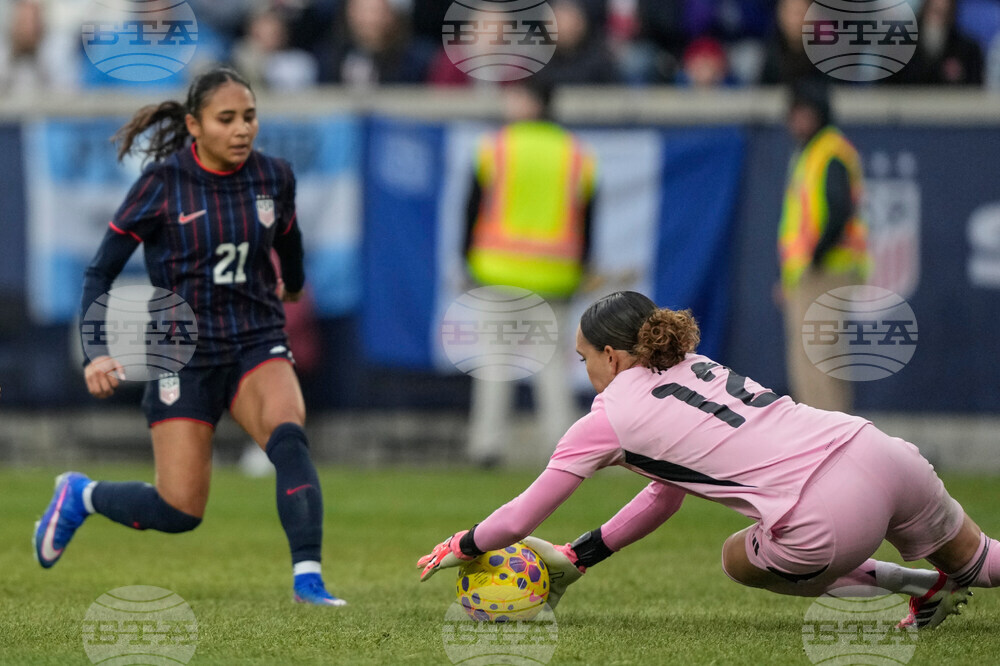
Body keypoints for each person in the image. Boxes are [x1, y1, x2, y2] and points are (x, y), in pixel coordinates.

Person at [419, 291, 1000, 630]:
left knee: (735, 558)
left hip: (827, 513)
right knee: (984, 560)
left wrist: (465, 543)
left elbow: (520, 521)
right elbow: (666, 490)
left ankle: (917, 584)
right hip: (879, 452)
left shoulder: (608, 417)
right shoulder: (695, 362)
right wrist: (583, 554)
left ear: (615, 357)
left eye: (584, 357)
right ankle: (943, 582)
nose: (585, 370)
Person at [32, 67, 345, 607]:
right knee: (179, 512)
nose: (242, 129)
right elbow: (98, 273)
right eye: (227, 119)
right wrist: (97, 353)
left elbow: (288, 240)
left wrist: (293, 285)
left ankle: (309, 581)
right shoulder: (161, 184)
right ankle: (79, 495)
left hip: (256, 338)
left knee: (288, 436)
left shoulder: (274, 177)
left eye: (249, 117)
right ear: (194, 125)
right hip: (184, 351)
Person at [462, 79, 597, 468]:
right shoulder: (576, 153)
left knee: (493, 362)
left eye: (515, 94)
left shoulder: (495, 148)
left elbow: (471, 210)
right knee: (552, 367)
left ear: (532, 102)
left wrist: (467, 260)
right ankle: (564, 451)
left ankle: (487, 447)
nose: (508, 101)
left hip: (498, 270)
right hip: (555, 275)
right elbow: (588, 219)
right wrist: (580, 268)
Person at [777, 81, 869, 413]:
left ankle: (830, 445)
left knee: (820, 362)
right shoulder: (811, 152)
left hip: (827, 271)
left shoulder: (828, 151)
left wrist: (814, 258)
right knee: (809, 362)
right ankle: (822, 444)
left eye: (804, 113)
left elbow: (840, 209)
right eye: (793, 113)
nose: (796, 120)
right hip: (810, 274)